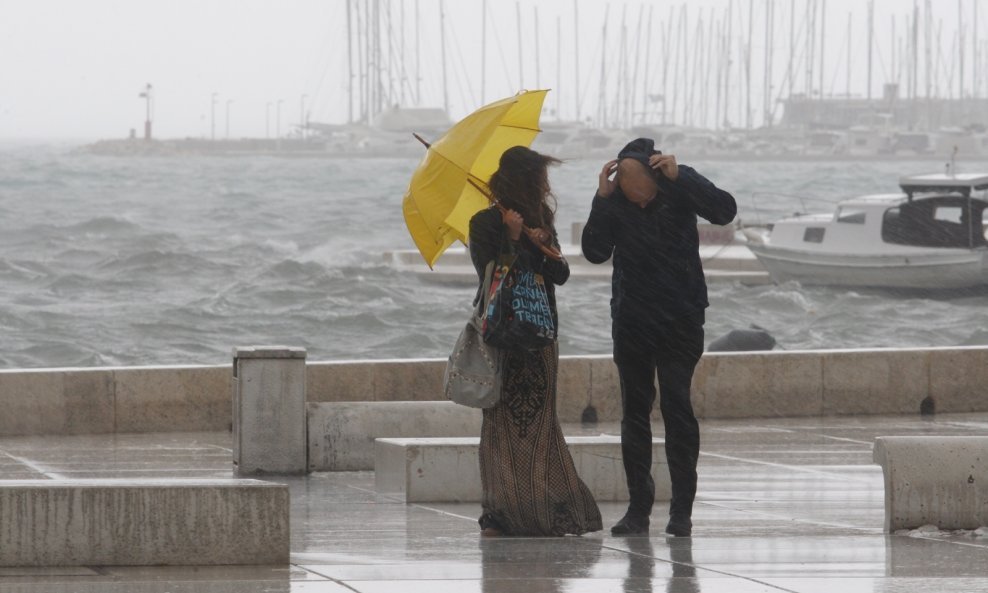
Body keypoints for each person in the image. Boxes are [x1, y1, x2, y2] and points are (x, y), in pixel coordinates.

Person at [581, 138, 737, 537]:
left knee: (677, 406)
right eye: (625, 188)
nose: (633, 196)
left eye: (639, 187)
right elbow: (595, 251)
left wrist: (681, 176)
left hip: (680, 319)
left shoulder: (678, 187)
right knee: (635, 414)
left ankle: (681, 511)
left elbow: (724, 211)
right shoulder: (614, 202)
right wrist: (601, 198)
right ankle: (638, 510)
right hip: (633, 321)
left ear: (653, 176)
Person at [468, 145, 602, 537]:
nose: (544, 185)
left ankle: (544, 508)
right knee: (501, 427)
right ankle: (498, 515)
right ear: (522, 180)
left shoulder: (540, 220)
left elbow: (560, 275)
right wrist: (511, 238)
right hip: (504, 339)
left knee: (541, 425)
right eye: (538, 178)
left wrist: (544, 246)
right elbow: (489, 277)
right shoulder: (484, 223)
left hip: (540, 336)